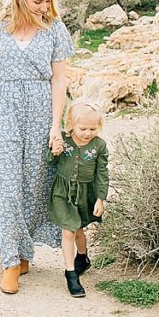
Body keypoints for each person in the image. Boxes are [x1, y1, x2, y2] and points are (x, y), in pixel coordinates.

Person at [0, 0, 75, 295]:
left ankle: (25, 250)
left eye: (47, 1)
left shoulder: (55, 30)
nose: (44, 6)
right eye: (37, 1)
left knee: (35, 182)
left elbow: (59, 80)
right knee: (6, 183)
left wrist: (57, 125)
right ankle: (10, 260)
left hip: (41, 108)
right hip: (3, 109)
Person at [47, 100, 109, 298]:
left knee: (79, 230)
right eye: (83, 128)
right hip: (63, 193)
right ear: (71, 124)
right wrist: (54, 151)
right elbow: (50, 161)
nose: (87, 133)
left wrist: (100, 198)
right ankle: (71, 273)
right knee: (68, 232)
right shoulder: (63, 139)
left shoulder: (99, 146)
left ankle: (82, 257)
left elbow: (102, 173)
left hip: (84, 194)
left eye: (93, 128)